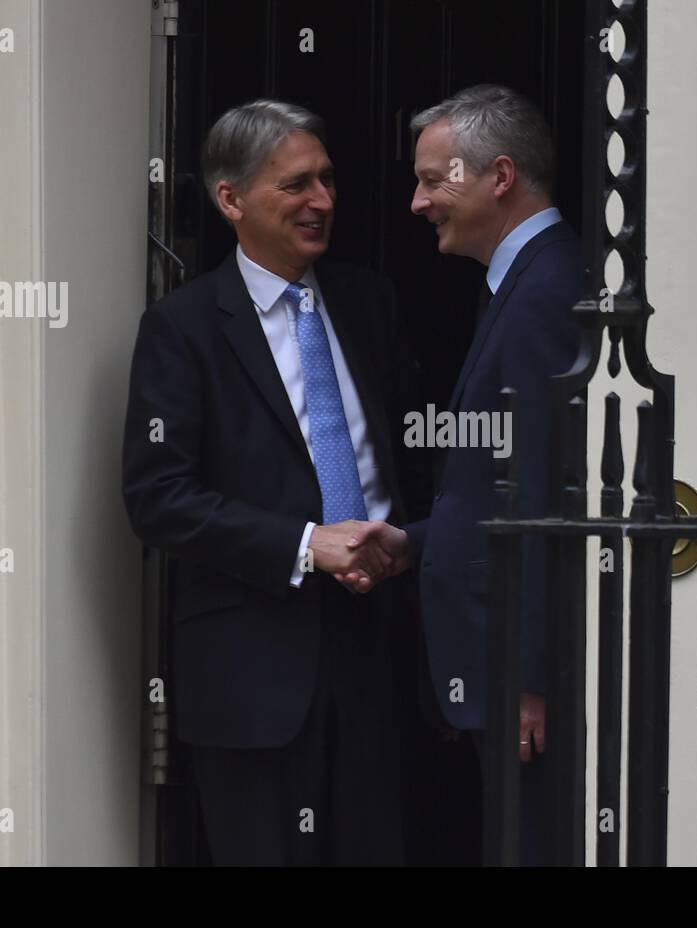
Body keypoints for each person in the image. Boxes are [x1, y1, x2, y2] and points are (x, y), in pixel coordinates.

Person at [121, 99, 425, 865]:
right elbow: (157, 498)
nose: (321, 201)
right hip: (253, 673)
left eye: (327, 180)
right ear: (231, 200)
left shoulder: (370, 302)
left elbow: (414, 460)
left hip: (375, 653)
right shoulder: (183, 328)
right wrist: (304, 544)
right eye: (296, 185)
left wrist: (408, 543)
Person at [348, 84, 584, 864]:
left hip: (511, 675)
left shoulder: (549, 288)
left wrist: (531, 675)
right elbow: (500, 483)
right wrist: (419, 541)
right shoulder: (519, 283)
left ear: (501, 176)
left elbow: (550, 491)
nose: (417, 203)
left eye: (431, 180)